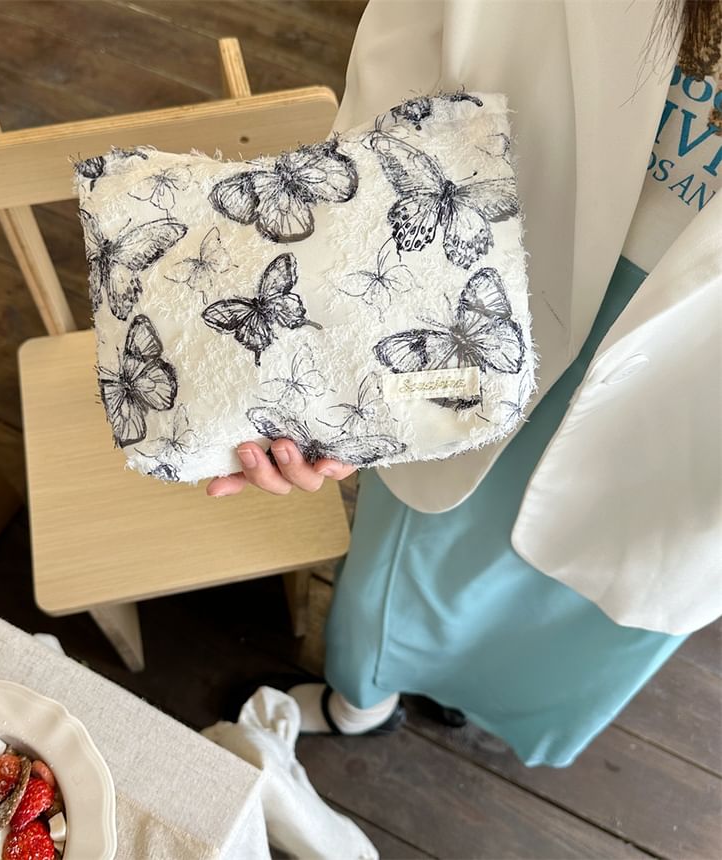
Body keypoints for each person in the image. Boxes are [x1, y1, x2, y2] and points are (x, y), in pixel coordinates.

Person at [207, 0, 721, 766]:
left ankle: (472, 700)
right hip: (501, 259)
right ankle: (362, 700)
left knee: (593, 594)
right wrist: (334, 340)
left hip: (702, 385)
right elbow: (408, 53)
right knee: (418, 538)